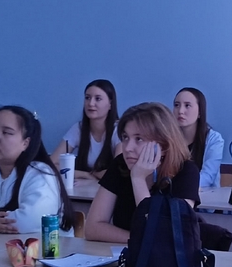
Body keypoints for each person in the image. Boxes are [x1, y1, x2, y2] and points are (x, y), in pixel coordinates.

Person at [85, 102, 200, 243]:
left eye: (139, 139)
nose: (128, 148)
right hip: (125, 253)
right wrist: (139, 241)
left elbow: (163, 235)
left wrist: (138, 179)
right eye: (125, 137)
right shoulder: (120, 165)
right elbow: (92, 228)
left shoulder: (186, 172)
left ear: (163, 145)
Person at [0, 106, 73, 235]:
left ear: (25, 143)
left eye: (6, 132)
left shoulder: (41, 173)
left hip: (40, 247)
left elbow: (28, 221)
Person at [51, 79, 120, 179]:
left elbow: (119, 170)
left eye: (98, 99)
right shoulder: (78, 128)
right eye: (87, 98)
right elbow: (52, 164)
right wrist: (85, 175)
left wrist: (95, 177)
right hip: (84, 185)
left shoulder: (118, 130)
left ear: (110, 104)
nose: (91, 103)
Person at [174, 87, 224, 188]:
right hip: (173, 194)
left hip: (205, 195)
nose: (180, 111)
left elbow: (208, 177)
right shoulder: (169, 138)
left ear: (200, 112)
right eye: (176, 105)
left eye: (187, 105)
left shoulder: (214, 139)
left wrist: (179, 186)